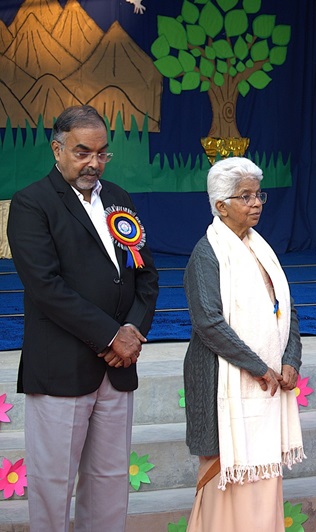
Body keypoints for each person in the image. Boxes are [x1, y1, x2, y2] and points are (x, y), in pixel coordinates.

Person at [7, 105, 159, 531]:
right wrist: (112, 336)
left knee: (110, 484)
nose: (94, 162)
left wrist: (132, 333)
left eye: (102, 153)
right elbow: (45, 287)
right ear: (57, 150)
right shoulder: (32, 203)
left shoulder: (119, 199)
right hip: (61, 369)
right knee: (53, 488)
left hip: (117, 370)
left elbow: (144, 276)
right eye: (82, 152)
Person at [183, 157, 303, 531]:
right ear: (221, 206)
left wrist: (290, 360)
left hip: (268, 380)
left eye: (258, 195)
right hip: (219, 380)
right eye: (245, 196)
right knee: (225, 479)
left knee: (262, 480)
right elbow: (209, 323)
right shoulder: (207, 253)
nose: (256, 203)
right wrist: (258, 367)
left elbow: (285, 310)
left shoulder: (261, 249)